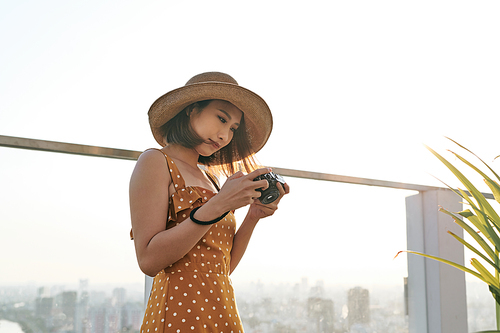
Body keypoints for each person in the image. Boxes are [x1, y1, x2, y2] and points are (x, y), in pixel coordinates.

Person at [129, 72, 289, 332]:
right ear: (193, 110)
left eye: (233, 129)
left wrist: (252, 216)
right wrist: (218, 204)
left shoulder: (212, 179)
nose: (225, 135)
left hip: (221, 308)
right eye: (222, 118)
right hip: (178, 312)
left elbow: (221, 268)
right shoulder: (156, 162)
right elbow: (148, 260)